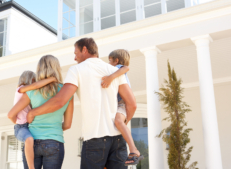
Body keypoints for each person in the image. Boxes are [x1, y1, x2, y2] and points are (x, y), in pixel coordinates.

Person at [27, 38, 137, 169]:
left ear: (84, 49)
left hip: (94, 140)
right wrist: (122, 124)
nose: (75, 58)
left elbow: (60, 101)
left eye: (76, 53)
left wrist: (34, 112)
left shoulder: (76, 70)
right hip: (118, 141)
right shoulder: (113, 70)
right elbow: (132, 104)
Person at [8, 55, 74, 169]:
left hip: (33, 142)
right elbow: (67, 125)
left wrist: (19, 124)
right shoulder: (66, 92)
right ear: (57, 69)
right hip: (54, 142)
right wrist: (54, 127)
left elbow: (11, 114)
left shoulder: (31, 91)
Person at [101, 49, 144, 165]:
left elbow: (126, 68)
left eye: (110, 61)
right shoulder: (115, 70)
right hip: (118, 103)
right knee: (118, 124)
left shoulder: (118, 69)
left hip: (122, 103)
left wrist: (110, 77)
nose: (108, 63)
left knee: (119, 121)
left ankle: (134, 150)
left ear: (116, 60)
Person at [7, 70, 57, 169]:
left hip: (28, 126)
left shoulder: (29, 95)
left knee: (31, 141)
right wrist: (52, 79)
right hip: (21, 127)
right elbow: (35, 86)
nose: (35, 83)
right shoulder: (20, 89)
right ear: (31, 80)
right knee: (29, 139)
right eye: (35, 81)